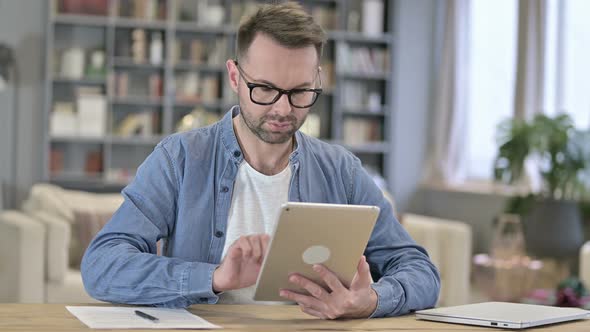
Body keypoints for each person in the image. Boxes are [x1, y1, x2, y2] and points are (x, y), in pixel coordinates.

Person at [81, 2, 440, 319]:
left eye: (300, 91)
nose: (283, 109)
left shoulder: (341, 170)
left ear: (317, 80)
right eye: (265, 89)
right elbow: (102, 266)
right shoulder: (180, 159)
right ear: (235, 75)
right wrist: (215, 278)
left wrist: (372, 299)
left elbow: (420, 271)